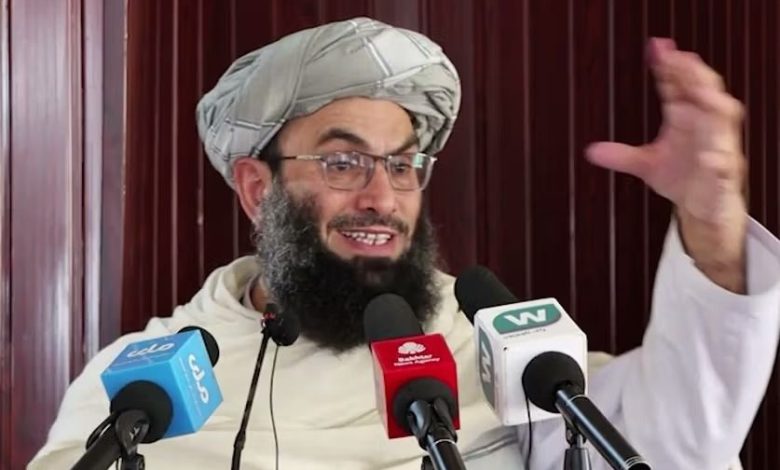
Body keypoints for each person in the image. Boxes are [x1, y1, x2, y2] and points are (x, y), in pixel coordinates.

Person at [29, 17, 780, 470]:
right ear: (258, 189)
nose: (383, 199)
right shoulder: (140, 385)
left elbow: (677, 438)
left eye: (402, 164)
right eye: (342, 162)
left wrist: (711, 224)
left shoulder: (494, 350)